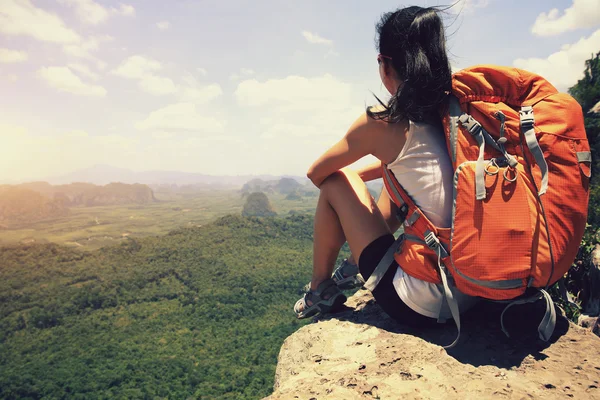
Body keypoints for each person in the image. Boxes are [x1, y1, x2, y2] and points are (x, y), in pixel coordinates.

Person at [294, 6, 478, 327]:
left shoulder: (381, 123)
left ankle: (319, 287)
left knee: (336, 181)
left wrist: (350, 180)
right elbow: (407, 168)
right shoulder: (452, 116)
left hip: (421, 301)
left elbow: (317, 174)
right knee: (390, 172)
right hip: (473, 288)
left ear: (385, 64)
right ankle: (353, 265)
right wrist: (365, 176)